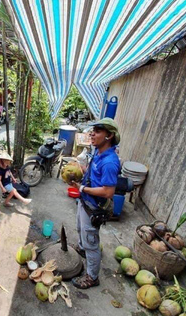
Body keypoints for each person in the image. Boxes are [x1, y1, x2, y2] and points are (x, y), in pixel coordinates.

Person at [69, 118, 120, 289]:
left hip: (94, 208)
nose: (92, 133)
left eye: (98, 131)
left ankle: (92, 277)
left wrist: (82, 188)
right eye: (93, 130)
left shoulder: (110, 162)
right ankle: (82, 247)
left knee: (92, 243)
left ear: (109, 136)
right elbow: (94, 177)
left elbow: (108, 191)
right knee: (80, 230)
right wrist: (78, 171)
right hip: (85, 203)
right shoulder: (98, 154)